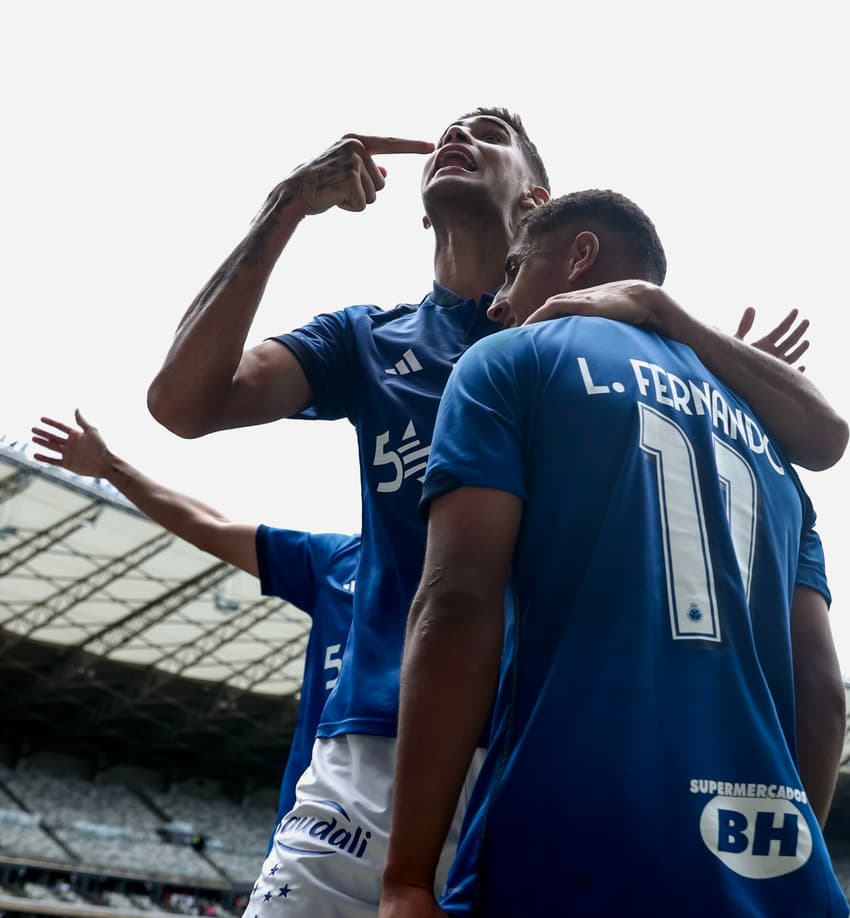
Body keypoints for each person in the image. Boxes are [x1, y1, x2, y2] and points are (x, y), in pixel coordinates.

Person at [146, 106, 847, 915]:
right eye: (448, 132)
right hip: (391, 746)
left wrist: (708, 365)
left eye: (488, 133)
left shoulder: (597, 346)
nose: (454, 139)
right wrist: (287, 204)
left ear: (536, 203)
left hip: (566, 754)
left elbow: (819, 438)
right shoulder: (367, 339)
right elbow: (183, 402)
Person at [379, 190, 847, 917]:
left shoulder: (507, 362)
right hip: (776, 881)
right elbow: (823, 700)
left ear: (582, 256)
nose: (497, 303)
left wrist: (407, 875)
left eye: (512, 272)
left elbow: (457, 604)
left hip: (571, 855)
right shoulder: (774, 455)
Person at [29, 410, 357, 849]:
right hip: (311, 837)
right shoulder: (337, 560)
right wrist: (111, 469)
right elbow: (210, 526)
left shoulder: (473, 579)